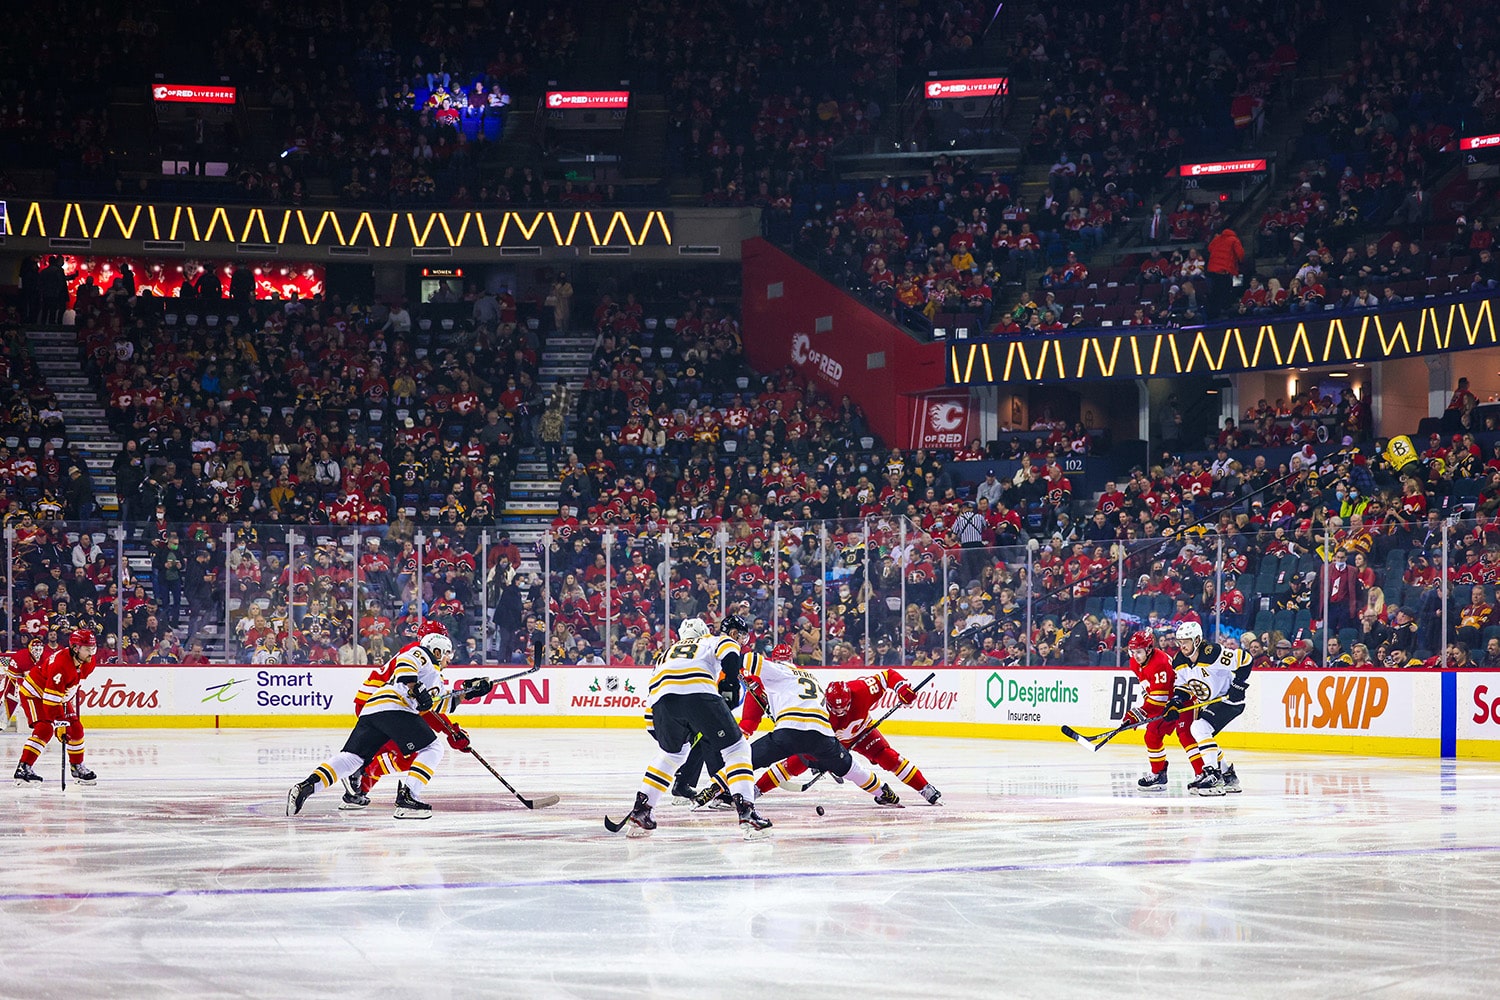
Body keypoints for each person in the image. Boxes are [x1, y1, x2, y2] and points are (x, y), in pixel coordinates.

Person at [287, 625, 487, 818]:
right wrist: (414, 687)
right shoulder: (421, 653)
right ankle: (408, 797)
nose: (449, 658)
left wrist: (468, 692)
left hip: (373, 708)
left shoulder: (435, 677)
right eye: (447, 653)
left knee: (352, 757)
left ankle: (307, 786)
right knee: (432, 749)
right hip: (394, 706)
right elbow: (406, 664)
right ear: (437, 650)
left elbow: (440, 704)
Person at [611, 615, 771, 840]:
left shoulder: (665, 654)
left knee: (671, 754)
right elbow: (731, 653)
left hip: (662, 704)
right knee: (737, 750)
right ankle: (747, 813)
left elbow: (652, 698)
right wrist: (730, 683)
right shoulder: (711, 640)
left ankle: (642, 811)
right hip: (699, 694)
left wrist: (665, 733)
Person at [719, 648, 897, 808]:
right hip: (820, 733)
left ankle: (726, 790)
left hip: (791, 729)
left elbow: (750, 661)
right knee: (851, 768)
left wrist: (731, 664)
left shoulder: (776, 672)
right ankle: (883, 791)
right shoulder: (806, 676)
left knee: (748, 758)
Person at [754, 664, 940, 805]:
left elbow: (887, 675)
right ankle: (756, 789)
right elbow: (811, 745)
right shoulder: (819, 712)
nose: (840, 712)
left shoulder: (861, 690)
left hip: (864, 732)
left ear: (850, 698)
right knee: (796, 761)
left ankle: (924, 788)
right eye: (835, 708)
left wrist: (900, 687)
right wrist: (819, 761)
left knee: (889, 758)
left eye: (844, 707)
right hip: (830, 742)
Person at [1170, 622, 1252, 794]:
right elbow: (1183, 687)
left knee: (1199, 727)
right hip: (1210, 702)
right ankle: (1228, 776)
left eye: (1186, 641)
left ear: (1197, 640)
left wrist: (1237, 686)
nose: (1182, 645)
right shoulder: (1179, 661)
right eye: (1180, 641)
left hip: (1230, 701)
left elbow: (1246, 660)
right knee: (1204, 735)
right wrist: (1176, 701)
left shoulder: (1212, 653)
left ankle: (1213, 774)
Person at [13, 629, 99, 786]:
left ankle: (77, 767)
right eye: (88, 648)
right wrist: (60, 722)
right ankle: (23, 768)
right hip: (34, 692)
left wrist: (65, 718)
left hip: (57, 696)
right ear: (75, 648)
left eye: (93, 648)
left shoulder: (88, 662)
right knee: (45, 728)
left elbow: (71, 684)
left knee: (76, 728)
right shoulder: (60, 665)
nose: (91, 653)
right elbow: (50, 700)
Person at [1121, 629, 1180, 791]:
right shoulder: (1135, 662)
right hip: (1165, 703)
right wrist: (1138, 714)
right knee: (1152, 735)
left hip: (1177, 703)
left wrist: (1136, 715)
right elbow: (1148, 687)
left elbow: (1160, 699)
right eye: (1132, 652)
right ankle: (1159, 773)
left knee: (1193, 737)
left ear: (1149, 649)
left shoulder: (1159, 662)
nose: (1135, 656)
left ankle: (1218, 770)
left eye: (1139, 652)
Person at [2, 635, 50, 732]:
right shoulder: (20, 657)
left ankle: (45, 723)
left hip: (38, 686)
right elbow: (13, 676)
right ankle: (1, 723)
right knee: (10, 699)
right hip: (17, 683)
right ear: (29, 648)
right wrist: (20, 687)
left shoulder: (47, 658)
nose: (37, 652)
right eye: (35, 649)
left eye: (40, 649)